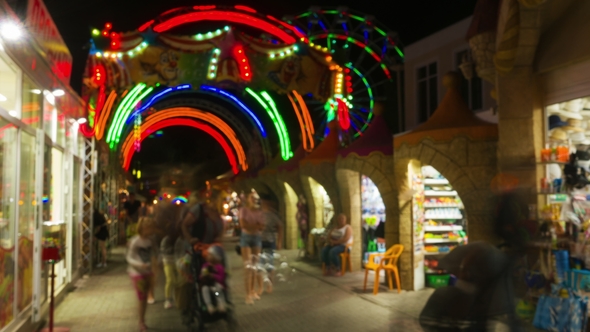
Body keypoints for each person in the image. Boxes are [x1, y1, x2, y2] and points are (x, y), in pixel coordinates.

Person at [126, 216, 157, 332]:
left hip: (148, 271)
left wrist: (155, 263)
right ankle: (141, 321)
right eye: (149, 228)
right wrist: (139, 265)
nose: (151, 231)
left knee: (144, 298)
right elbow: (129, 257)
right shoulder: (135, 241)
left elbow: (154, 253)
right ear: (143, 228)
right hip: (136, 273)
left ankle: (142, 320)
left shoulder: (150, 241)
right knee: (141, 297)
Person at [238, 192, 263, 304]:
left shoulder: (259, 211)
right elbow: (243, 225)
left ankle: (253, 291)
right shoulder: (244, 210)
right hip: (246, 238)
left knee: (255, 266)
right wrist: (255, 226)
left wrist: (252, 226)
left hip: (257, 238)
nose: (254, 199)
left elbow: (262, 226)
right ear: (248, 199)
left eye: (255, 197)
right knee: (248, 266)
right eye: (251, 197)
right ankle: (247, 295)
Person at [258, 196, 283, 294]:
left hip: (269, 241)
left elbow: (280, 227)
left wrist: (279, 242)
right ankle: (260, 287)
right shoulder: (258, 214)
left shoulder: (273, 215)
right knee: (259, 264)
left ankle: (269, 284)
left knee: (269, 264)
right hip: (258, 241)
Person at [160, 218, 181, 309]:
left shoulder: (179, 239)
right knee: (170, 280)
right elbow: (164, 251)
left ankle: (177, 298)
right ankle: (168, 299)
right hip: (168, 261)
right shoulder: (166, 240)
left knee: (179, 280)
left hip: (177, 261)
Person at [200, 246, 227, 314]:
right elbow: (200, 276)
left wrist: (213, 276)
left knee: (216, 291)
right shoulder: (205, 265)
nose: (208, 256)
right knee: (204, 289)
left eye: (210, 255)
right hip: (207, 284)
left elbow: (221, 278)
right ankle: (209, 305)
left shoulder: (219, 267)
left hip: (215, 284)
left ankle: (220, 303)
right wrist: (203, 275)